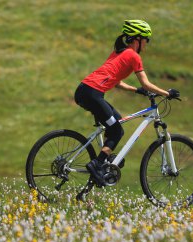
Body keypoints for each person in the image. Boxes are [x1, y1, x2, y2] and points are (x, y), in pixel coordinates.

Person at [74, 19, 180, 186]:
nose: (146, 44)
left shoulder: (119, 53)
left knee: (116, 118)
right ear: (137, 39)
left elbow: (117, 82)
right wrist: (168, 93)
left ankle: (105, 160)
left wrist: (136, 90)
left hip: (85, 91)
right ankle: (97, 164)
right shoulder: (133, 56)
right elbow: (146, 83)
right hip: (92, 94)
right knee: (116, 131)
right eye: (146, 39)